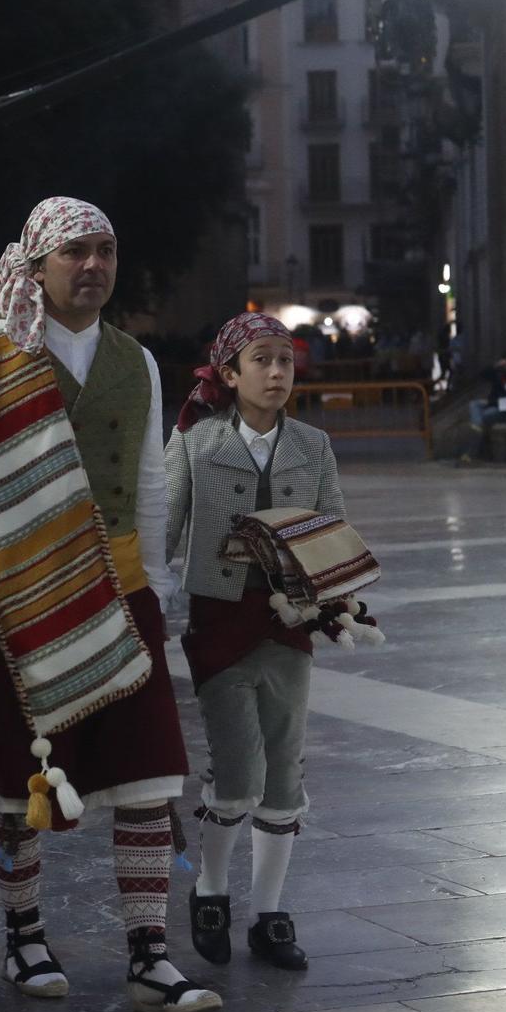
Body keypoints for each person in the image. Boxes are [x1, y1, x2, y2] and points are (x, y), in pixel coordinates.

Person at [0, 196, 217, 1012]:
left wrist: (156, 586)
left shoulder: (135, 363)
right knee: (21, 779)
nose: (94, 266)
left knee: (149, 773)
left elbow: (148, 482)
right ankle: (23, 935)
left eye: (106, 250)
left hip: (119, 592)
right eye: (75, 251)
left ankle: (150, 953)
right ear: (34, 267)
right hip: (18, 598)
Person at [165, 313, 347, 973]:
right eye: (262, 360)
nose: (276, 373)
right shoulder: (195, 441)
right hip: (219, 622)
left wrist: (329, 597)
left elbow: (335, 534)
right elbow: (161, 525)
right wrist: (141, 602)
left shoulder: (314, 445)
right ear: (230, 373)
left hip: (289, 625)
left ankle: (268, 911)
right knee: (237, 769)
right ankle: (210, 889)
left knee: (283, 770)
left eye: (286, 361)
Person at [460, 352, 506, 464]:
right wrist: (495, 366)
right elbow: (483, 374)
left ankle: (469, 452)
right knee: (474, 404)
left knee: (486, 415)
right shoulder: (499, 374)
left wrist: (492, 402)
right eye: (504, 363)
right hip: (493, 404)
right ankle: (476, 426)